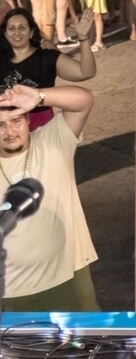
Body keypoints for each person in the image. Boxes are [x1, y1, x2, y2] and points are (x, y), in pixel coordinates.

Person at [0, 83, 99, 311]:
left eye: (16, 121)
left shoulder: (53, 141)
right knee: (18, 349)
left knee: (83, 346)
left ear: (28, 121)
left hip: (68, 279)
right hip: (9, 291)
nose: (10, 131)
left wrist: (39, 96)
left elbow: (84, 100)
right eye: (1, 125)